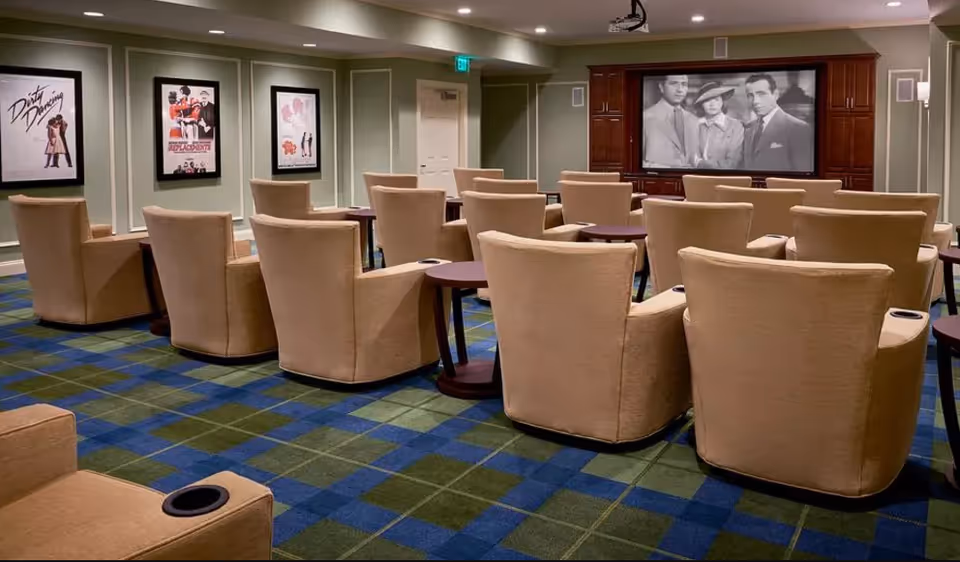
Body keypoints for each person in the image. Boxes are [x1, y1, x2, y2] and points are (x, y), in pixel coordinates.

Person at [742, 73, 813, 172]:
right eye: (750, 95)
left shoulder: (798, 128)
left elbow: (803, 173)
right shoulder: (748, 128)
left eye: (761, 94)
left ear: (775, 94)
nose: (755, 101)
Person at [643, 75, 700, 168]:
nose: (680, 89)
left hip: (691, 180)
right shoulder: (645, 118)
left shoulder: (694, 120)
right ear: (661, 87)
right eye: (674, 84)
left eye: (684, 84)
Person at [692, 82, 744, 170]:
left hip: (724, 178)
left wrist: (699, 163)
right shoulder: (695, 126)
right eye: (707, 100)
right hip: (695, 177)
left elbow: (732, 164)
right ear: (701, 104)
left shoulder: (735, 126)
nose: (712, 104)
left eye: (716, 99)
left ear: (722, 102)